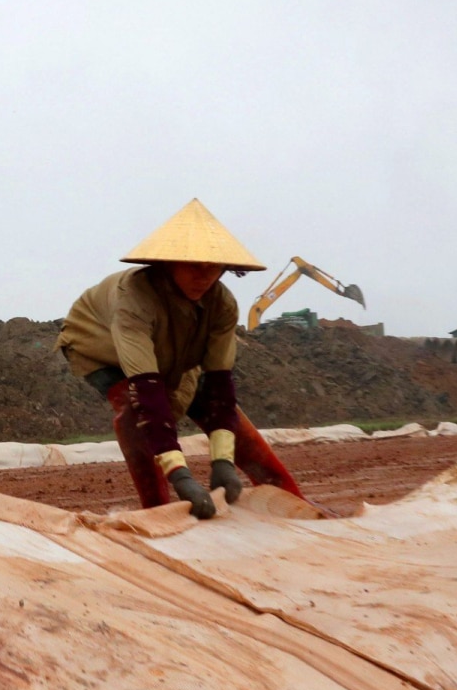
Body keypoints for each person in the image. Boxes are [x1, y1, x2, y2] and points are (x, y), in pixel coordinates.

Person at [57, 199, 307, 520]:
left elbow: (220, 388)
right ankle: (158, 511)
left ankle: (293, 500)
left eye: (212, 266)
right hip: (98, 345)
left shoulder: (222, 305)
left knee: (219, 411)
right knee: (137, 412)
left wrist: (223, 461)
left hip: (171, 354)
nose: (203, 276)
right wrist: (180, 475)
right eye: (192, 265)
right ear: (169, 264)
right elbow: (147, 391)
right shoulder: (133, 298)